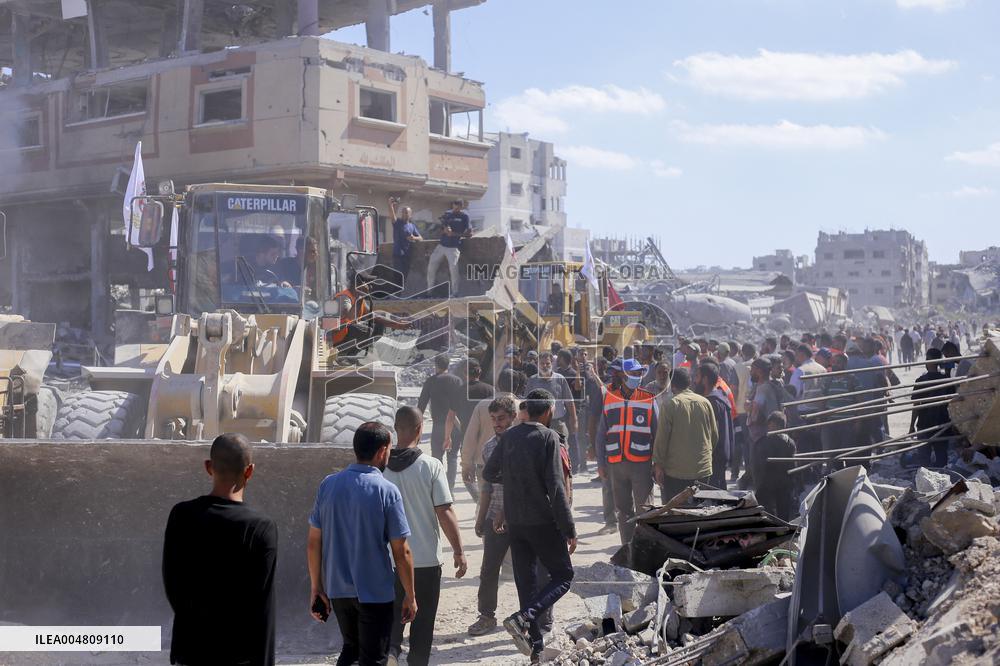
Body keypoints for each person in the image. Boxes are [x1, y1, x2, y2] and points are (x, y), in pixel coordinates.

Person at [163, 433, 278, 666]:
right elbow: (261, 605)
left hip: (190, 651)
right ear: (249, 471)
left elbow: (173, 585)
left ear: (209, 467)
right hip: (238, 655)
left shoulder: (181, 516)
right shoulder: (261, 527)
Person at [308, 423, 416, 666]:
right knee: (374, 658)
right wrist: (410, 595)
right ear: (381, 451)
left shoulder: (328, 485)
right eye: (389, 448)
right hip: (374, 593)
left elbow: (314, 543)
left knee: (351, 649)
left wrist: (317, 588)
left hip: (338, 591)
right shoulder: (387, 491)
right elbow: (402, 551)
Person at [483, 390, 576, 663]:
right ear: (547, 411)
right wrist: (569, 528)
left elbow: (489, 473)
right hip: (541, 521)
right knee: (563, 576)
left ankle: (535, 649)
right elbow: (556, 488)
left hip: (516, 522)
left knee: (527, 584)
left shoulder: (509, 436)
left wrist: (514, 480)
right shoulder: (549, 437)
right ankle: (523, 617)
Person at [384, 407, 467, 666]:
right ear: (420, 429)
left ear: (396, 428)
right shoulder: (431, 466)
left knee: (393, 619)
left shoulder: (380, 467)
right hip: (426, 562)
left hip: (390, 561)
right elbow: (445, 512)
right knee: (423, 622)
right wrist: (459, 550)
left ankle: (391, 654)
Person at [468, 396, 517, 636]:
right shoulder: (488, 447)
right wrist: (480, 519)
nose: (497, 424)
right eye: (494, 419)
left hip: (521, 517)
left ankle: (532, 618)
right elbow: (486, 486)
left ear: (513, 417)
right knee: (489, 569)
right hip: (494, 517)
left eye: (502, 419)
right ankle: (486, 616)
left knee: (526, 569)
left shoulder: (523, 444)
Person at [594, 358, 658, 544]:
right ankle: (627, 549)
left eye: (639, 373)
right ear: (622, 375)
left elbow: (657, 432)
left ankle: (646, 548)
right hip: (615, 464)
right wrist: (600, 464)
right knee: (623, 511)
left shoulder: (648, 398)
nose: (638, 377)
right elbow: (601, 434)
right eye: (634, 373)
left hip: (641, 463)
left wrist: (657, 463)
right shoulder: (609, 396)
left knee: (645, 511)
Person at [653, 367, 718, 502]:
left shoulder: (670, 405)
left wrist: (658, 465)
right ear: (689, 383)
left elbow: (662, 439)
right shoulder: (705, 402)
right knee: (699, 511)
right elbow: (714, 435)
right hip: (702, 470)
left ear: (672, 385)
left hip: (675, 473)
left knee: (676, 515)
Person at [461, 368, 524, 502]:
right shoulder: (523, 408)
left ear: (498, 384)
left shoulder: (482, 405)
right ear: (517, 386)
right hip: (515, 467)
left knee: (485, 505)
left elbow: (470, 438)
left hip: (484, 466)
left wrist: (466, 465)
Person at [417, 355, 463, 492]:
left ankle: (440, 489)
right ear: (448, 365)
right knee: (453, 457)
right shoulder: (457, 381)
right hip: (455, 425)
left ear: (436, 365)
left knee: (437, 458)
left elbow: (421, 405)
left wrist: (417, 426)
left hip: (438, 425)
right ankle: (450, 489)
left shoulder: (431, 381)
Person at [908, 348, 956, 468]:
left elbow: (916, 406)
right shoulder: (946, 381)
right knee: (941, 458)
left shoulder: (920, 381)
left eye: (927, 359)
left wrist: (912, 426)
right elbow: (953, 405)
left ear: (930, 361)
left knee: (924, 460)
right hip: (942, 424)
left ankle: (926, 482)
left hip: (925, 425)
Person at [456, 359, 494, 501]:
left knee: (468, 472)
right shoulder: (490, 390)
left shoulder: (460, 390)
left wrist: (448, 435)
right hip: (488, 437)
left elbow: (450, 415)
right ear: (480, 372)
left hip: (467, 436)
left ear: (465, 373)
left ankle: (479, 500)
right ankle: (486, 500)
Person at [525, 351, 578, 453]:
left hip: (558, 424)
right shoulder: (532, 381)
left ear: (552, 363)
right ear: (537, 364)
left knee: (561, 453)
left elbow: (569, 402)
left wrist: (574, 420)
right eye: (542, 363)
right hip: (538, 425)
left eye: (548, 363)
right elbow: (527, 404)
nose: (545, 366)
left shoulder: (560, 379)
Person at [751, 412, 797, 520]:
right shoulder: (790, 442)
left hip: (766, 484)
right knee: (784, 514)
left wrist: (757, 485)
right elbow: (793, 465)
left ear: (772, 424)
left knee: (768, 515)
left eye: (769, 424)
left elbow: (757, 467)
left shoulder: (763, 443)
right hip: (785, 483)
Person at [695, 363, 733, 489]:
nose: (695, 381)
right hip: (720, 457)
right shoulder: (721, 398)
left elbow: (712, 435)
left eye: (697, 377)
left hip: (714, 459)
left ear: (705, 379)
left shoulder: (712, 403)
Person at [427, 200, 471, 295]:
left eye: (457, 207)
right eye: (454, 207)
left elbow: (469, 234)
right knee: (431, 265)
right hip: (442, 245)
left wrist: (453, 233)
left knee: (454, 269)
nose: (455, 209)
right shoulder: (447, 215)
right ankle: (429, 291)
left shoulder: (464, 217)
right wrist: (445, 231)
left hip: (453, 247)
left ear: (461, 207)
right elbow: (439, 230)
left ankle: (455, 292)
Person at [388, 198, 422, 281]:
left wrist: (413, 238)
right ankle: (395, 293)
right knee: (398, 276)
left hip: (407, 255)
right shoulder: (398, 223)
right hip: (398, 255)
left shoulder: (412, 226)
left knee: (404, 277)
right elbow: (392, 217)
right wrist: (390, 205)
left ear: (410, 215)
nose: (404, 214)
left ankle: (400, 293)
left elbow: (420, 238)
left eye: (406, 212)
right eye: (403, 212)